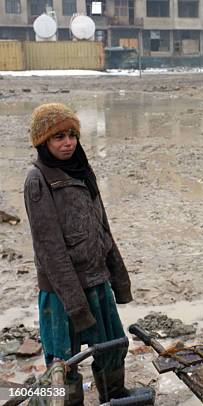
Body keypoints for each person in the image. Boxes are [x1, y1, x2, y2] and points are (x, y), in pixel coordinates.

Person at [24, 103, 140, 405]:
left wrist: (118, 277)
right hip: (63, 292)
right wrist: (75, 304)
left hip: (97, 280)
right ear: (43, 142)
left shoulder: (83, 170)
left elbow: (103, 226)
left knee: (113, 346)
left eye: (72, 135)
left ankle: (113, 395)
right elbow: (49, 250)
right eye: (58, 137)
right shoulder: (38, 180)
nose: (68, 142)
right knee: (65, 361)